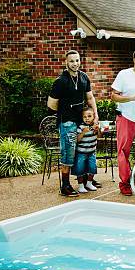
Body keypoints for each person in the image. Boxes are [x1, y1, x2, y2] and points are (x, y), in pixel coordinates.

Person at [47, 50, 99, 197]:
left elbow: (90, 98)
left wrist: (95, 114)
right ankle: (65, 186)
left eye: (77, 60)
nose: (75, 63)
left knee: (82, 151)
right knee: (68, 154)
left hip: (81, 121)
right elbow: (51, 104)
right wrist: (65, 111)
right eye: (71, 61)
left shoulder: (84, 77)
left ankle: (84, 181)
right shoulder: (60, 81)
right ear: (66, 62)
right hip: (67, 122)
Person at [111, 49, 135, 196]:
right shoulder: (124, 74)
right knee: (123, 152)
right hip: (126, 118)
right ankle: (125, 183)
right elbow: (113, 96)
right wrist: (132, 98)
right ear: (133, 60)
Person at [73, 107, 100, 193]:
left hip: (92, 152)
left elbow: (99, 136)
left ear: (93, 117)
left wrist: (98, 130)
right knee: (80, 169)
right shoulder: (80, 127)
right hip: (81, 152)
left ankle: (89, 183)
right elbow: (77, 140)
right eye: (85, 117)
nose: (87, 118)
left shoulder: (95, 126)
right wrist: (83, 132)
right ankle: (81, 186)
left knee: (92, 168)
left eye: (89, 116)